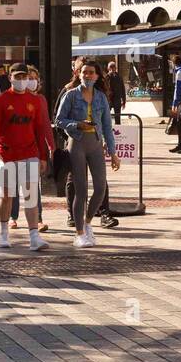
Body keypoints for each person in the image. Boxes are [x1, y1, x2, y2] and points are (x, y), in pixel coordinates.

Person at [55, 60, 119, 249]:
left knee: (100, 187)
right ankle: (79, 233)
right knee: (80, 190)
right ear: (79, 74)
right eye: (84, 72)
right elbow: (59, 120)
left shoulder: (101, 97)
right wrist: (77, 125)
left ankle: (88, 222)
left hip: (96, 144)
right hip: (77, 143)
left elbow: (107, 126)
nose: (87, 76)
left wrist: (113, 152)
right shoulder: (71, 95)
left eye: (91, 73)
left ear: (98, 76)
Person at [0, 64, 51, 252]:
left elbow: (40, 129)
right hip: (6, 154)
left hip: (29, 153)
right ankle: (3, 232)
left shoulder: (36, 101)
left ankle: (34, 237)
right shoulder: (1, 100)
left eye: (25, 76)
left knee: (31, 196)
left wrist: (43, 155)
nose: (22, 80)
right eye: (18, 76)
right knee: (7, 195)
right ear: (10, 77)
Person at [106, 60, 127, 125]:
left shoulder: (119, 77)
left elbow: (122, 89)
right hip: (108, 99)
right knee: (106, 116)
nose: (112, 69)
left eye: (114, 67)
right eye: (111, 67)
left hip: (117, 99)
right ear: (108, 68)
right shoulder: (106, 77)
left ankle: (118, 130)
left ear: (116, 68)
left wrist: (124, 101)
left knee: (117, 117)